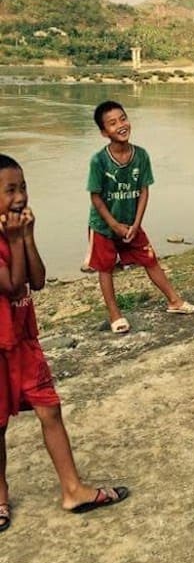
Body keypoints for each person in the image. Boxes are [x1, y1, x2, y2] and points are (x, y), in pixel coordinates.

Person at [0, 154, 129, 532]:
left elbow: (36, 280)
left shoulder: (17, 230)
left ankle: (72, 488)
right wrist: (14, 238)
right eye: (10, 190)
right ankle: (0, 496)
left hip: (24, 341)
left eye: (22, 187)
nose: (20, 195)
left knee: (50, 411)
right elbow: (9, 285)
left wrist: (26, 237)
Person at [84, 100, 194, 333]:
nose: (120, 125)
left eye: (123, 119)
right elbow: (95, 197)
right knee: (105, 268)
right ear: (103, 132)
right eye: (112, 123)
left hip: (131, 223)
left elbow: (144, 190)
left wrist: (136, 224)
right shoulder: (99, 161)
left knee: (150, 259)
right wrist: (114, 224)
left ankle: (174, 301)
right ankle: (115, 315)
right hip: (104, 225)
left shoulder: (141, 156)